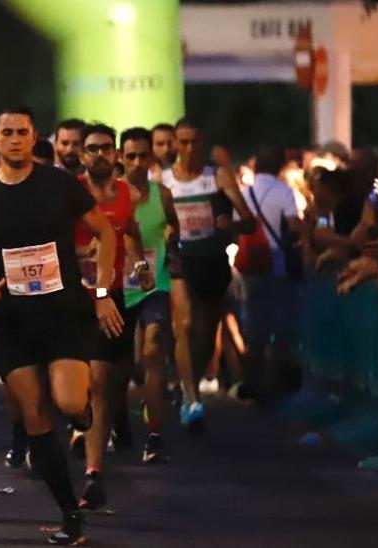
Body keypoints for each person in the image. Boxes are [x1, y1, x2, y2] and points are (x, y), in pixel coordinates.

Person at [0, 106, 116, 546]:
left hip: (63, 314)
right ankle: (70, 514)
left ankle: (83, 414)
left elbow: (106, 233)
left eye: (23, 132)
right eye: (8, 133)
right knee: (36, 414)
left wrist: (101, 291)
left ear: (34, 137)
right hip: (11, 321)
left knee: (69, 401)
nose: (16, 139)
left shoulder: (60, 185)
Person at [70, 122, 150, 511]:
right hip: (71, 300)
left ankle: (93, 473)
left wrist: (138, 265)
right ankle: (76, 421)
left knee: (106, 380)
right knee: (79, 386)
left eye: (105, 148)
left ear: (115, 154)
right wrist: (85, 255)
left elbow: (130, 232)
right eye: (91, 149)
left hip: (112, 296)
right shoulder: (71, 194)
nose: (99, 155)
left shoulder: (127, 195)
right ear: (82, 155)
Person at [163, 117, 255, 431]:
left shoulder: (217, 177)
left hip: (212, 260)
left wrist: (233, 226)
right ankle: (191, 398)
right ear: (175, 143)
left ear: (201, 143)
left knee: (204, 334)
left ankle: (187, 383)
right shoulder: (162, 179)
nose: (188, 148)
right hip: (180, 261)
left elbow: (249, 221)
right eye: (182, 142)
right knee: (184, 325)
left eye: (193, 142)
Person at [117, 127, 180, 464]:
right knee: (121, 365)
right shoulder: (110, 196)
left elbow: (173, 225)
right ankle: (116, 420)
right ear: (120, 158)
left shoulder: (163, 194)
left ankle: (154, 433)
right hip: (116, 289)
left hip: (155, 286)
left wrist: (171, 245)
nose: (138, 162)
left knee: (154, 348)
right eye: (131, 156)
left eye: (144, 156)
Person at [239, 146, 303, 397]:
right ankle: (276, 381)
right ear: (279, 168)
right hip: (277, 263)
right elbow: (294, 226)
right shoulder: (284, 190)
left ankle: (252, 380)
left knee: (254, 324)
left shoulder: (245, 192)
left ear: (255, 167)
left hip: (251, 263)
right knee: (280, 322)